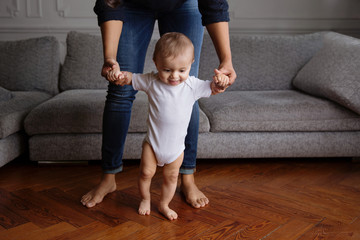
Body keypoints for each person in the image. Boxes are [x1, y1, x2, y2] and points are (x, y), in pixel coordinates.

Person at [81, 0, 237, 209]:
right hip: (129, 4)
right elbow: (109, 3)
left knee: (186, 91)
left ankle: (187, 177)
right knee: (119, 91)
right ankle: (108, 177)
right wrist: (110, 57)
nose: (173, 75)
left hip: (184, 4)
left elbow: (214, 4)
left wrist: (226, 60)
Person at [108, 32, 229, 220]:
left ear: (191, 64)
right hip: (153, 144)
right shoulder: (150, 80)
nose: (174, 76)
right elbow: (130, 78)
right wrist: (119, 75)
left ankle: (164, 204)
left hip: (176, 149)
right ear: (156, 63)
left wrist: (221, 83)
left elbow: (214, 89)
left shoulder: (192, 85)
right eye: (167, 70)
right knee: (146, 172)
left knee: (172, 177)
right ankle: (145, 199)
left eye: (182, 70)